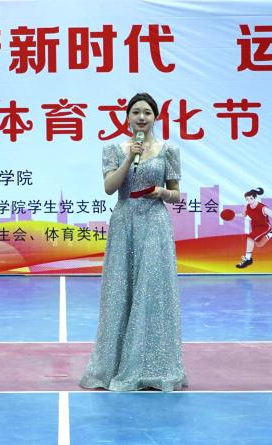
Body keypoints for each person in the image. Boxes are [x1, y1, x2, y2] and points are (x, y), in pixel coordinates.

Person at [79, 92, 186, 392]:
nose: (141, 117)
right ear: (127, 117)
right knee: (121, 291)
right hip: (125, 221)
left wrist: (161, 193)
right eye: (136, 112)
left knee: (151, 290)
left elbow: (176, 193)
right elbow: (109, 187)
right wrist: (129, 157)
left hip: (155, 222)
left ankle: (154, 367)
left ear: (155, 117)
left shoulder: (169, 150)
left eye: (147, 113)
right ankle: (115, 366)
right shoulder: (113, 149)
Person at [235, 187, 272, 268]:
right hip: (255, 226)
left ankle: (248, 259)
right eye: (247, 199)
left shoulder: (263, 208)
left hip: (264, 227)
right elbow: (243, 215)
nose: (249, 200)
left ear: (255, 197)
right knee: (259, 244)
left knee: (250, 238)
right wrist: (233, 215)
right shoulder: (247, 206)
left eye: (251, 198)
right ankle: (271, 234)